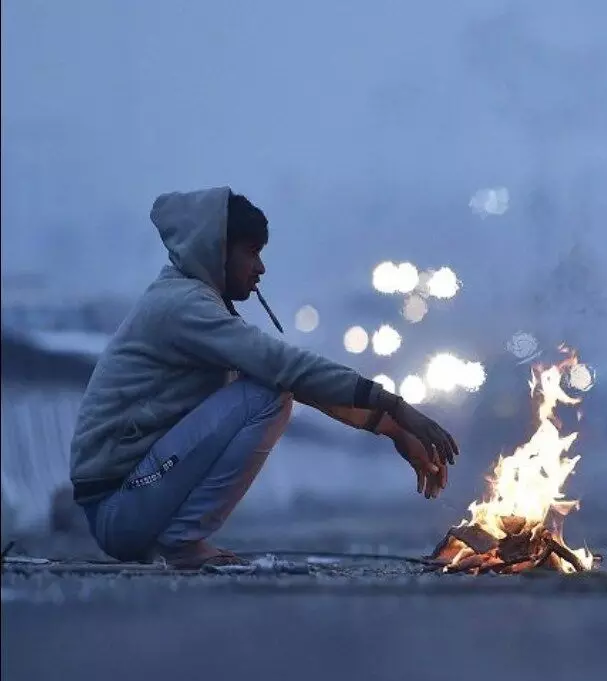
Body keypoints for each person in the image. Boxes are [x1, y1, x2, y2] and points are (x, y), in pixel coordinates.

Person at [70, 187, 459, 569]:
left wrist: (391, 428)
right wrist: (396, 406)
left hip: (131, 502)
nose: (261, 268)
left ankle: (177, 539)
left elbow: (305, 384)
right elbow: (286, 368)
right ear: (217, 250)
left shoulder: (194, 302)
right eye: (252, 253)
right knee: (266, 396)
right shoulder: (184, 307)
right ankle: (182, 540)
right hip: (120, 508)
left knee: (273, 388)